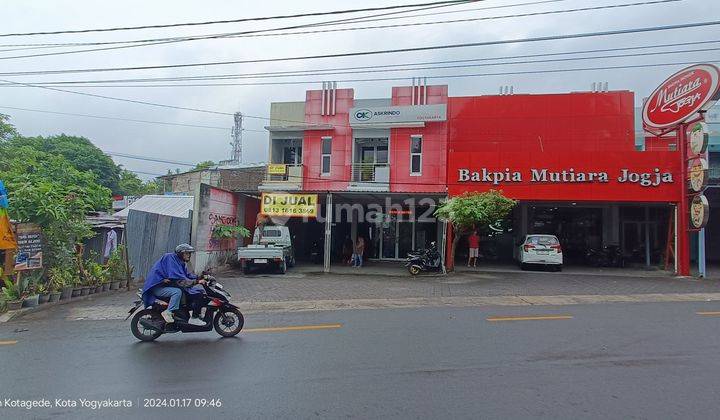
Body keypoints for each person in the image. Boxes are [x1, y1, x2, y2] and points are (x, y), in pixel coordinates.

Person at [141, 244, 207, 325]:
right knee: (180, 292)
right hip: (157, 287)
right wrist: (196, 282)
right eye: (187, 253)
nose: (189, 255)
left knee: (194, 292)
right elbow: (179, 280)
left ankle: (187, 314)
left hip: (165, 286)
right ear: (180, 253)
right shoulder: (170, 259)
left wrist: (200, 277)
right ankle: (169, 312)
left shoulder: (180, 262)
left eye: (189, 253)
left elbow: (186, 275)